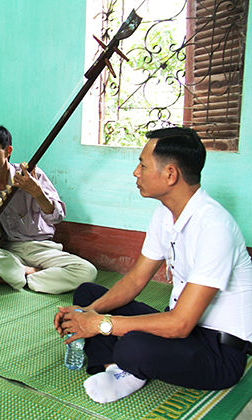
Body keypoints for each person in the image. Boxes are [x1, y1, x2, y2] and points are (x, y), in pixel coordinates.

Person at [54, 127, 252, 403]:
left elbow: (180, 324)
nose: (136, 172)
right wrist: (86, 313)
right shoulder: (165, 215)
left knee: (132, 345)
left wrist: (101, 325)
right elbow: (135, 281)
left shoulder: (214, 226)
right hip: (182, 333)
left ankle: (124, 363)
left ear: (170, 174)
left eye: (142, 165)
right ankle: (117, 371)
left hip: (218, 352)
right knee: (88, 294)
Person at [0, 124, 97, 293]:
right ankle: (31, 275)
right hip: (8, 251)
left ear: (8, 151)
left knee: (87, 271)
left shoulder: (31, 176)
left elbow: (57, 217)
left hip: (41, 248)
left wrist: (37, 192)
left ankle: (21, 276)